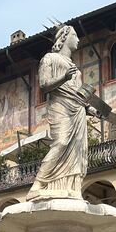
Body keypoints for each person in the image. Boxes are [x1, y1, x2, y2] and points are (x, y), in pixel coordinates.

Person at [28, 25, 88, 201]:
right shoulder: (50, 58)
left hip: (78, 111)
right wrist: (64, 77)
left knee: (78, 150)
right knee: (61, 142)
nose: (78, 40)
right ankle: (38, 184)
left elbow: (79, 95)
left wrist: (91, 109)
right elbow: (44, 85)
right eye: (75, 36)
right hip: (60, 106)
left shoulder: (76, 70)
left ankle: (72, 187)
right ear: (64, 38)